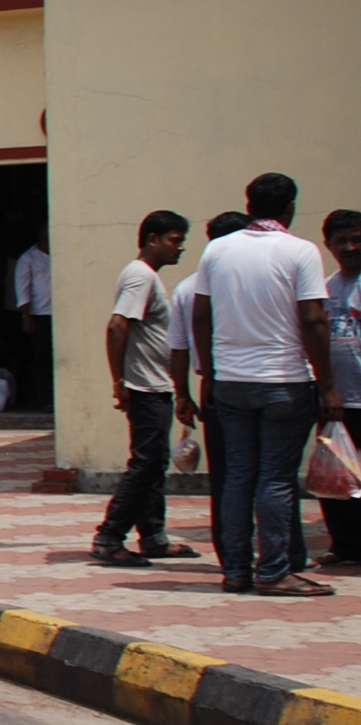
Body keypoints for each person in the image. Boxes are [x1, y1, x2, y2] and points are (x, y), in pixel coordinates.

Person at [189, 172, 339, 596]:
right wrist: (327, 384)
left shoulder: (217, 250)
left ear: (249, 205)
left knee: (238, 476)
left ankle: (236, 570)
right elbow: (313, 320)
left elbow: (200, 316)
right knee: (275, 478)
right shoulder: (300, 251)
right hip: (284, 381)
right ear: (290, 207)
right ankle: (273, 571)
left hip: (231, 381)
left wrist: (209, 373)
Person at [90, 210, 198, 566]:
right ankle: (109, 537)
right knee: (146, 463)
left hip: (155, 385)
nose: (180, 248)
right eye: (174, 240)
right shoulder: (140, 276)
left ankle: (153, 537)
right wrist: (119, 382)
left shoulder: (147, 276)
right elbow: (116, 326)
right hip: (145, 387)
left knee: (154, 462)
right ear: (152, 239)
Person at [169, 211, 252, 570]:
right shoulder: (254, 280)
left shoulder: (188, 287)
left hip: (214, 387)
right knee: (270, 473)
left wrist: (183, 394)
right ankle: (284, 554)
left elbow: (179, 349)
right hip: (259, 382)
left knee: (226, 475)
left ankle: (231, 555)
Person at [323, 209, 361, 566]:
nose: (350, 247)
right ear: (329, 245)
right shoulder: (326, 288)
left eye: (357, 239)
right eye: (341, 241)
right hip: (337, 400)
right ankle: (346, 545)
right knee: (338, 475)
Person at [13, 232, 54, 410]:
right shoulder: (28, 258)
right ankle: (44, 399)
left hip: (57, 314)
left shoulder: (58, 255)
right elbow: (22, 289)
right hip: (39, 315)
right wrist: (26, 316)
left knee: (55, 358)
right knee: (41, 358)